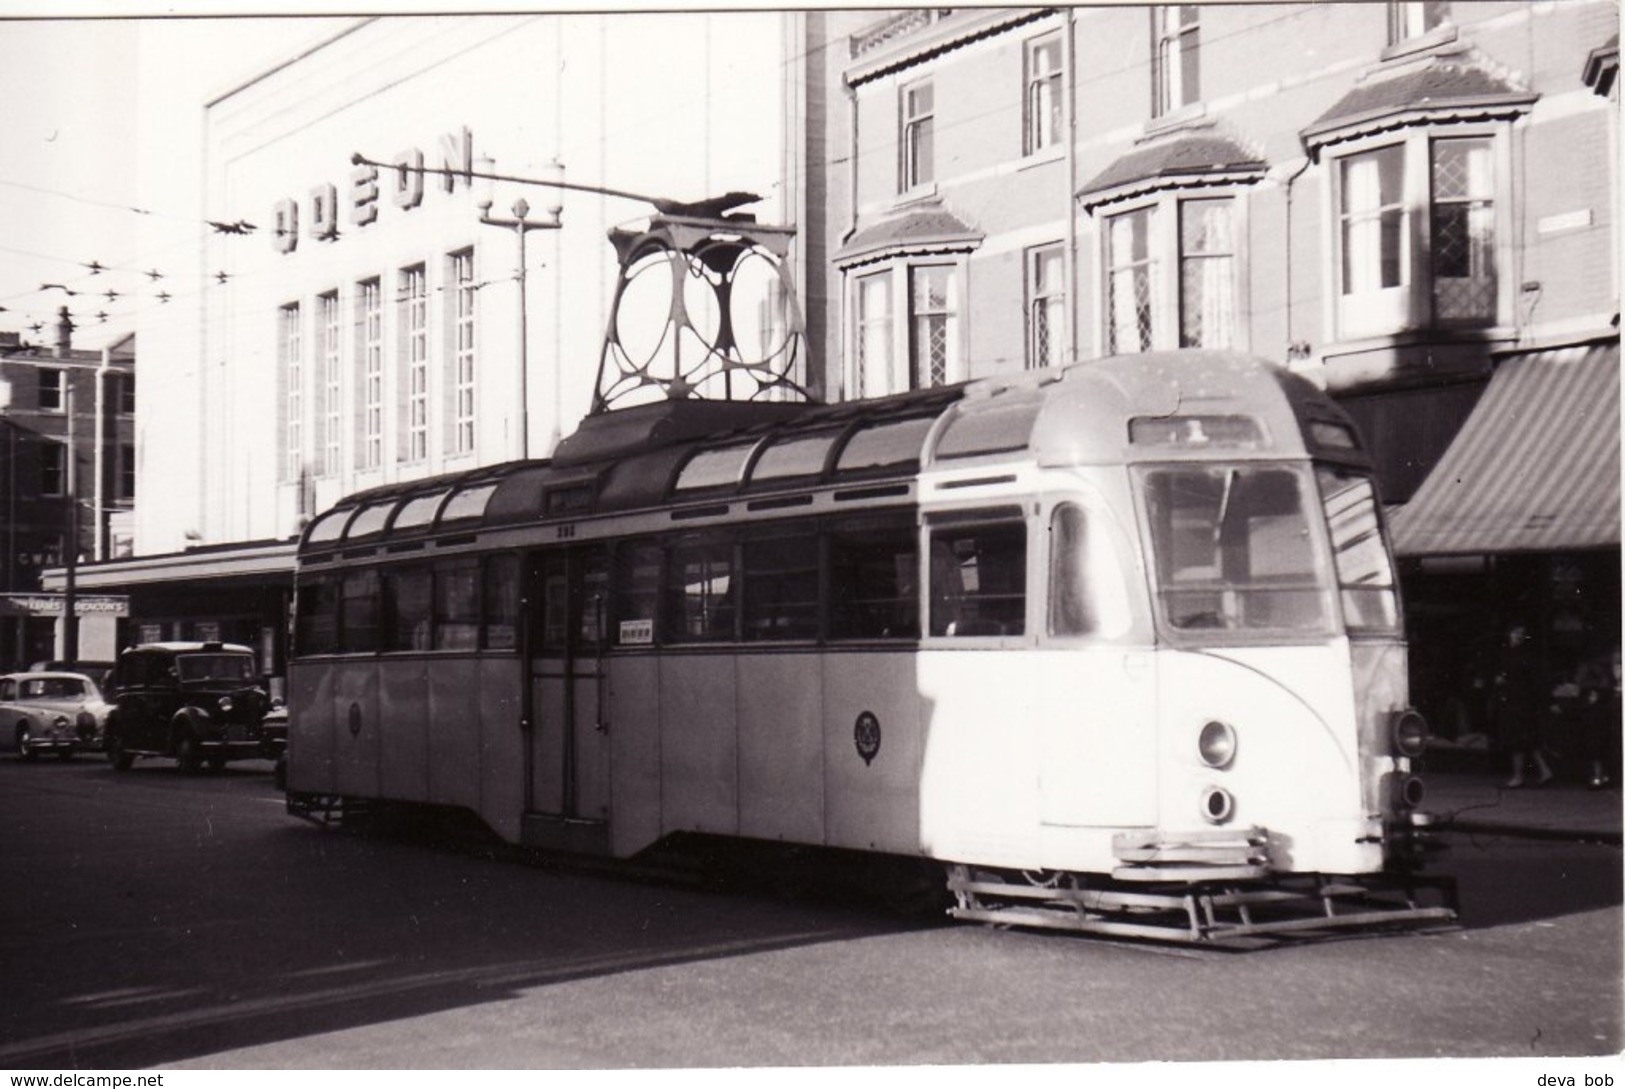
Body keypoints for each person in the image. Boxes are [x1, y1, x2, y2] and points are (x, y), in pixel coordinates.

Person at [1495, 622, 1554, 789]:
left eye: (1521, 633)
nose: (1519, 635)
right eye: (1516, 632)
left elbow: (1528, 679)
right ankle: (1544, 771)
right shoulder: (1510, 653)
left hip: (1519, 701)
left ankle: (1519, 776)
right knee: (1525, 740)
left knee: (1517, 739)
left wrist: (1503, 681)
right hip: (1516, 700)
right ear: (1509, 633)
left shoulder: (1523, 656)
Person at [1573, 641, 1621, 790]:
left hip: (1596, 708)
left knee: (1594, 741)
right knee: (1600, 741)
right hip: (1602, 706)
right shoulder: (1603, 669)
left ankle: (1598, 776)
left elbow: (1581, 682)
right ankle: (1602, 775)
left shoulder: (1592, 669)